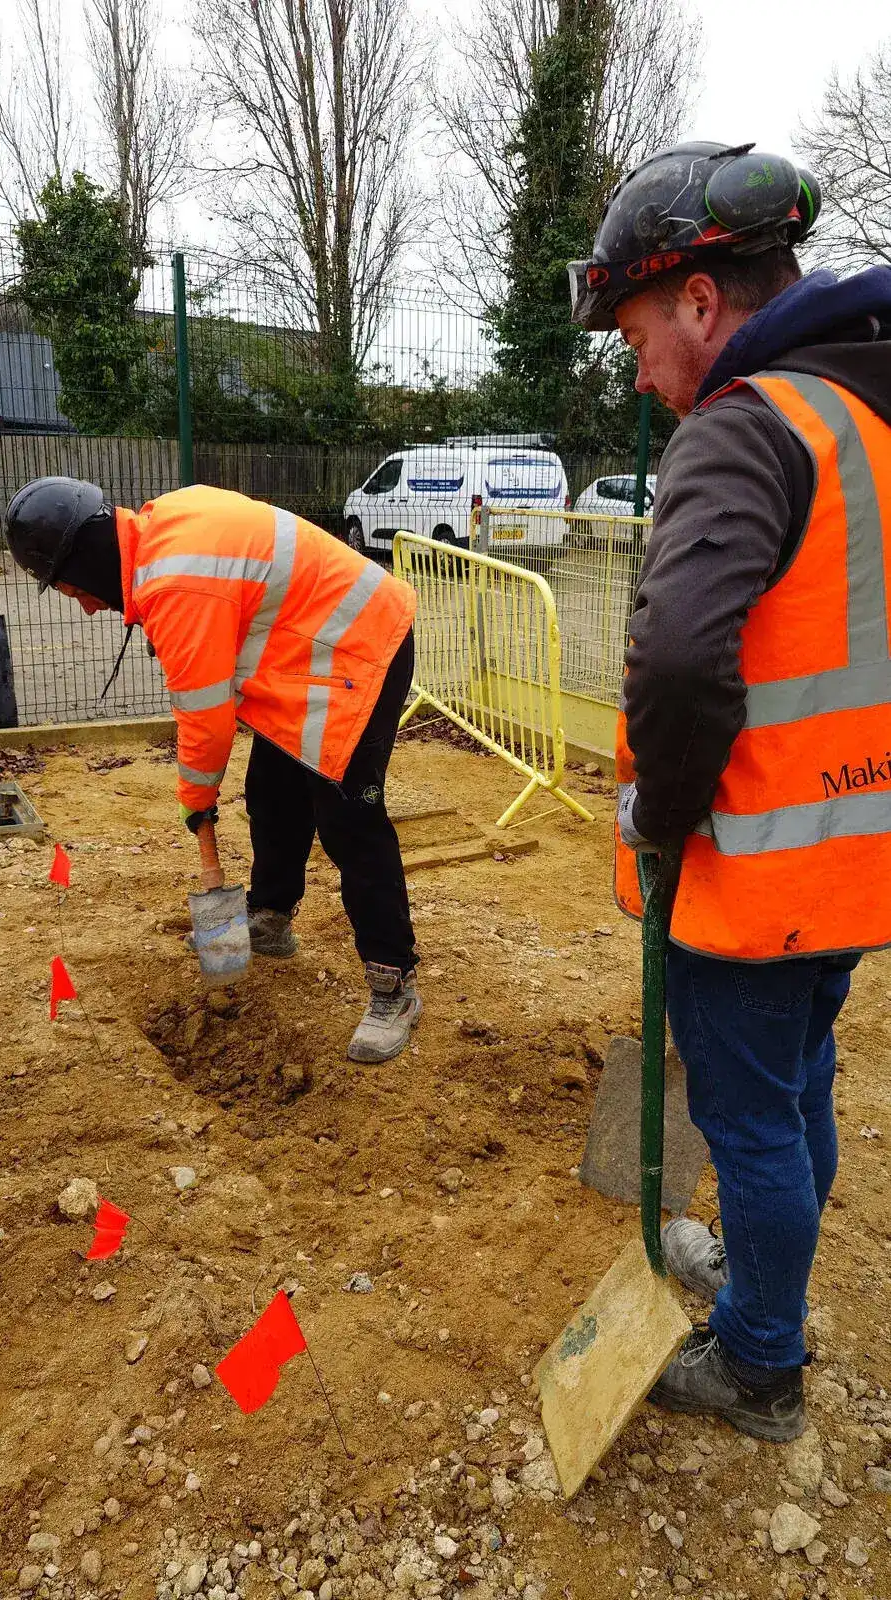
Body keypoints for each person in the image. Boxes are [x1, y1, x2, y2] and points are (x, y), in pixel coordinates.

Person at [569, 141, 891, 1440]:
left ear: (702, 302)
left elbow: (687, 657)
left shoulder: (745, 429)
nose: (641, 372)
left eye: (641, 334)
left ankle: (759, 1360)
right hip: (853, 855)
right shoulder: (865, 418)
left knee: (750, 1121)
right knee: (796, 1090)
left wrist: (657, 816)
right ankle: (766, 1285)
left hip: (752, 873)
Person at [5, 480, 422, 1064]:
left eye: (74, 588)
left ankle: (393, 983)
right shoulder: (159, 529)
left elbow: (205, 721)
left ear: (89, 557)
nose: (87, 605)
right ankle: (271, 918)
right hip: (301, 656)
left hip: (363, 648)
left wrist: (195, 802)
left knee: (349, 820)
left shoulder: (175, 583)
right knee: (272, 792)